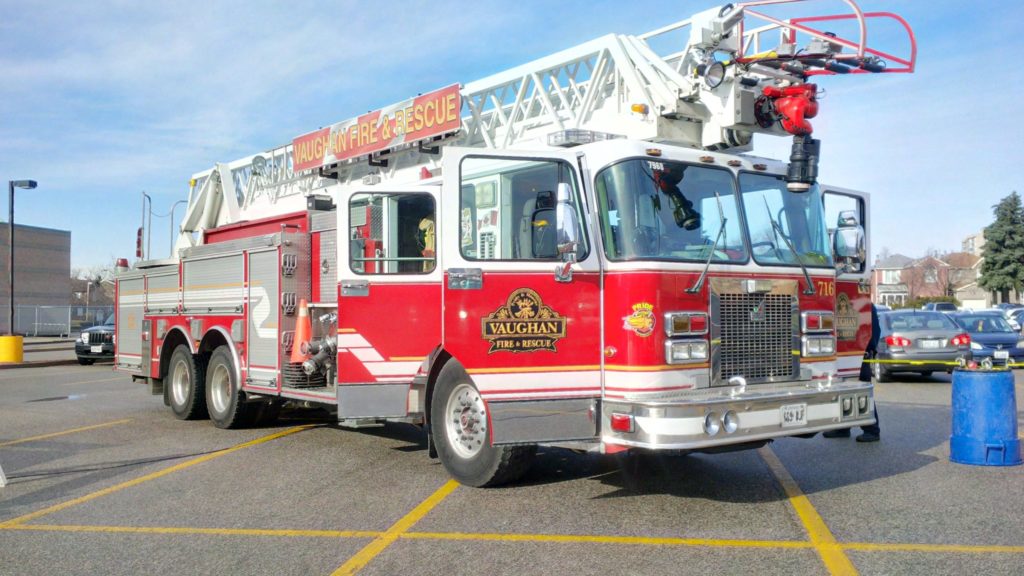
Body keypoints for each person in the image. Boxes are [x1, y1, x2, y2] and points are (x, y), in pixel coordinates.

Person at [823, 302, 880, 442]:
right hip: (841, 354)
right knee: (841, 390)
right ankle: (843, 427)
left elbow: (874, 331)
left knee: (862, 392)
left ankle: (872, 430)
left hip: (859, 354)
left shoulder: (866, 306)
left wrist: (869, 350)